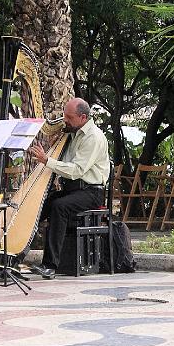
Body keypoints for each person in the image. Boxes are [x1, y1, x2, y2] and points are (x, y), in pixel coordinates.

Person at [27, 97, 111, 279]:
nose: (65, 120)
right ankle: (15, 252)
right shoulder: (72, 135)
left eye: (69, 117)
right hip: (74, 190)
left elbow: (76, 170)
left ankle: (50, 265)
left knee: (60, 206)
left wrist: (46, 160)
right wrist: (51, 148)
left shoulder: (93, 137)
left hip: (91, 192)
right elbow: (64, 163)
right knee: (41, 205)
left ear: (83, 117)